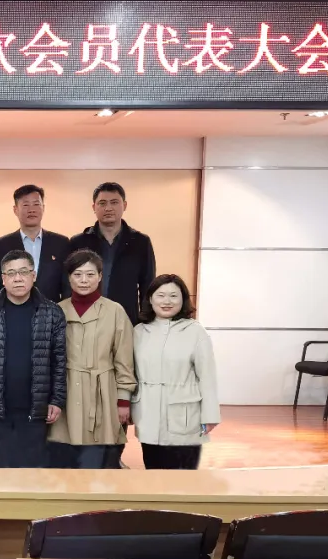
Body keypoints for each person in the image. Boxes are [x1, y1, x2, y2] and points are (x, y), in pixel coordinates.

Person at [0, 250, 66, 469]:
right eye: (11, 273)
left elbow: (59, 361)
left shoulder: (52, 313)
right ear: (3, 278)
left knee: (31, 475)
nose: (18, 278)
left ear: (34, 275)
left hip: (36, 408)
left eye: (24, 272)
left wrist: (56, 400)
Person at [47, 249, 135, 470]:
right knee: (63, 461)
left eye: (90, 274)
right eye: (77, 274)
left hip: (103, 393)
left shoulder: (115, 311)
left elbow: (124, 359)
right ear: (69, 278)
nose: (84, 280)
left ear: (100, 276)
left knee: (98, 463)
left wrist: (123, 401)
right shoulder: (56, 311)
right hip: (66, 393)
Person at [131, 274, 220, 470]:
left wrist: (210, 415)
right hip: (149, 415)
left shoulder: (195, 331)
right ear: (150, 299)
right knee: (154, 473)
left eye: (173, 296)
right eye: (161, 295)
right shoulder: (139, 331)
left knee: (183, 479)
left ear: (183, 299)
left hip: (184, 417)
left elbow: (207, 376)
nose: (167, 301)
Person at [68, 182, 156, 326]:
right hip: (85, 320)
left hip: (126, 319)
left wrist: (146, 323)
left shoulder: (140, 242)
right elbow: (69, 284)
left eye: (114, 202)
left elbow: (147, 285)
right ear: (94, 207)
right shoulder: (79, 242)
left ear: (124, 205)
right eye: (102, 203)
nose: (108, 208)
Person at [0, 185, 69, 303]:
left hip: (53, 309)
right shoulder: (2, 245)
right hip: (13, 309)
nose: (31, 210)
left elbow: (67, 284)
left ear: (43, 208)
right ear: (15, 210)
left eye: (36, 204)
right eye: (26, 205)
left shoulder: (61, 243)